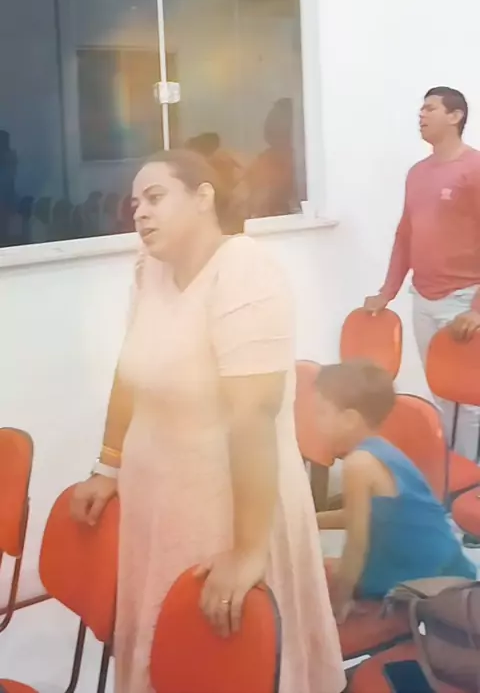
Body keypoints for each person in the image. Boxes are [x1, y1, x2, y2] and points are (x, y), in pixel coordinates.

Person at [70, 149, 345, 693]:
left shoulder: (243, 271)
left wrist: (247, 553)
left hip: (229, 508)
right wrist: (107, 465)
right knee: (161, 655)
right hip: (158, 503)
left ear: (203, 197)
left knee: (222, 658)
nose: (140, 212)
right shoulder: (150, 271)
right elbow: (131, 371)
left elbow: (253, 417)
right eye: (134, 203)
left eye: (155, 197)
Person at [364, 87, 480, 458]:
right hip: (424, 299)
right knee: (443, 393)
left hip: (463, 301)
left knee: (470, 403)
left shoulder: (474, 169)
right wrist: (387, 292)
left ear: (455, 116)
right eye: (421, 109)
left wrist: (477, 310)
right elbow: (406, 235)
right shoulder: (418, 173)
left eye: (430, 108)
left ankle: (468, 481)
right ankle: (452, 475)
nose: (421, 115)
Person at [315, 360, 476, 623]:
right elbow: (361, 514)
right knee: (325, 567)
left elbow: (356, 545)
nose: (314, 421)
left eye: (321, 412)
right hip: (444, 563)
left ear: (349, 420)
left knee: (319, 574)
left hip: (425, 581)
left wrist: (340, 603)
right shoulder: (380, 449)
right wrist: (313, 520)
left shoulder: (359, 464)